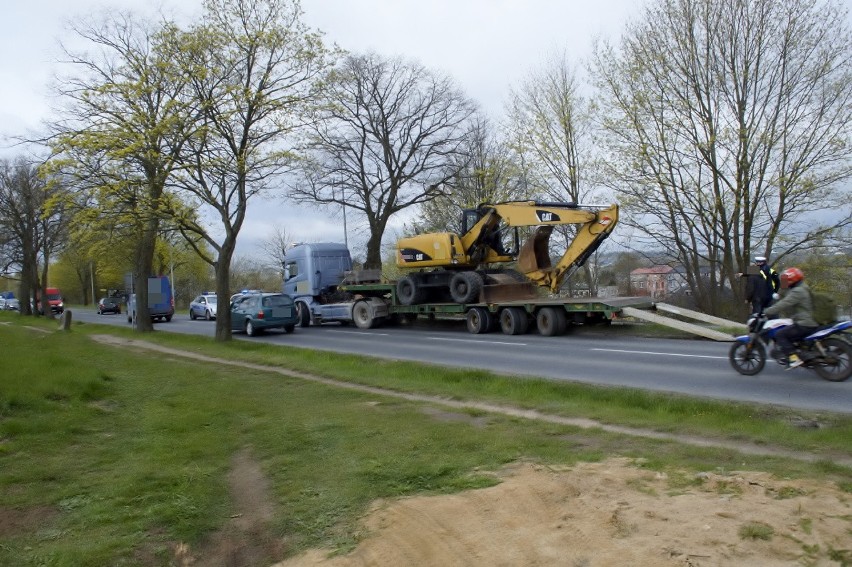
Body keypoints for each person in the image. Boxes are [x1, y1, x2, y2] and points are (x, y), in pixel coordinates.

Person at [763, 267, 818, 369]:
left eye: (788, 280)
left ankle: (794, 359)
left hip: (805, 323)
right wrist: (779, 293)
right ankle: (798, 351)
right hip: (807, 320)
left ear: (792, 280)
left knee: (780, 334)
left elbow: (784, 304)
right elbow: (784, 291)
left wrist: (766, 311)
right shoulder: (803, 286)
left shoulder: (797, 291)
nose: (786, 282)